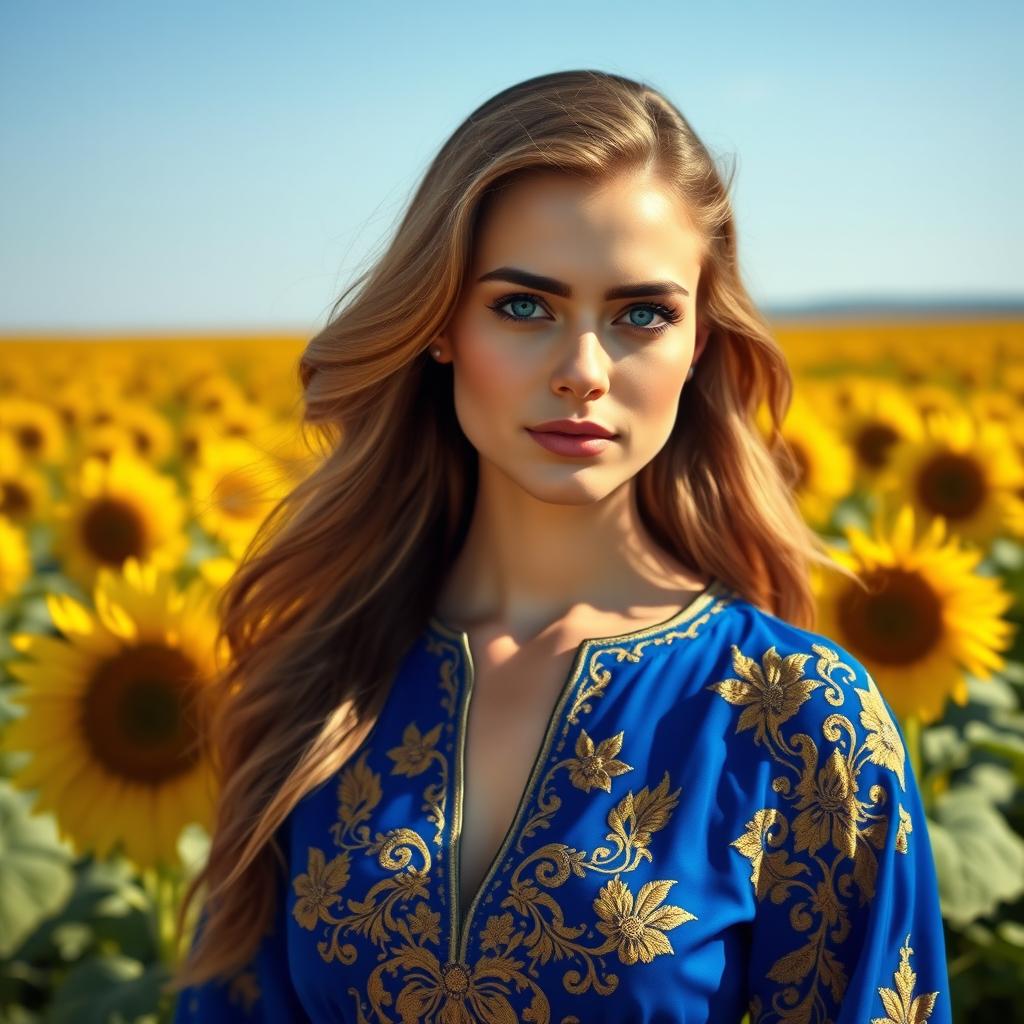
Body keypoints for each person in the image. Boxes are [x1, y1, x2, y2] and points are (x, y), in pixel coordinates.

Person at [166, 69, 952, 1023]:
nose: (583, 371)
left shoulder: (800, 720)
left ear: (698, 341)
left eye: (642, 315)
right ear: (441, 324)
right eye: (525, 307)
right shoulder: (317, 682)